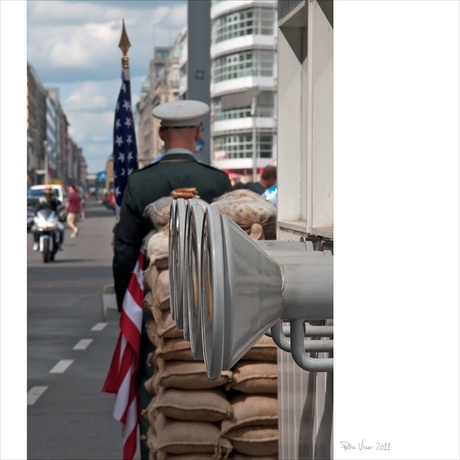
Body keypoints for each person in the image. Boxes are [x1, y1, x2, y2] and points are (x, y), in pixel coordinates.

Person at [112, 99, 233, 459]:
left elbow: (123, 254)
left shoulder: (139, 183)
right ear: (198, 134)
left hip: (155, 309)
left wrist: (127, 305)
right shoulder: (217, 181)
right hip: (210, 307)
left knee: (158, 378)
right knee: (209, 383)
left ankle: (156, 447)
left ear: (162, 134)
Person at [32, 186, 65, 251]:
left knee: (62, 229)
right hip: (43, 220)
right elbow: (36, 209)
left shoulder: (55, 201)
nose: (48, 196)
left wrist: (60, 214)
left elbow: (61, 207)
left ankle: (60, 244)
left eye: (49, 194)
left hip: (53, 220)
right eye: (47, 194)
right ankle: (36, 242)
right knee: (34, 229)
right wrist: (35, 214)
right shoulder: (41, 201)